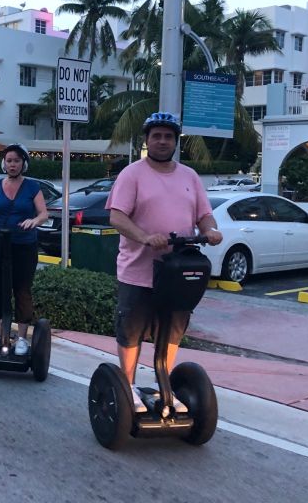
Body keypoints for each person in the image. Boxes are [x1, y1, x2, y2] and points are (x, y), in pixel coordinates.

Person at [106, 112, 222, 413]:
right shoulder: (132, 174)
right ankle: (128, 387)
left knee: (173, 329)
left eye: (168, 136)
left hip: (176, 271)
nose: (162, 141)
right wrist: (144, 237)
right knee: (131, 330)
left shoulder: (189, 176)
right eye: (156, 136)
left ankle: (163, 386)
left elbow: (203, 214)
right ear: (147, 140)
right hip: (138, 270)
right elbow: (117, 216)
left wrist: (209, 230)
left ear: (175, 141)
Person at [0, 143, 48, 355]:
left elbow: (43, 213)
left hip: (24, 245)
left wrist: (34, 221)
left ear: (23, 164)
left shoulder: (33, 186)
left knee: (22, 291)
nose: (12, 164)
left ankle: (22, 338)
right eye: (9, 161)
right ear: (3, 164)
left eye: (16, 161)